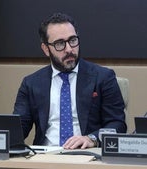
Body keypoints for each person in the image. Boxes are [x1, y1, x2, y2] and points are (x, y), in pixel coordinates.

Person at [13, 12, 127, 149]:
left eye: (73, 40)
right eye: (60, 43)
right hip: (45, 156)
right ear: (46, 49)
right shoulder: (31, 83)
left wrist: (92, 139)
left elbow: (117, 124)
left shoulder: (103, 77)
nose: (69, 49)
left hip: (88, 154)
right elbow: (18, 129)